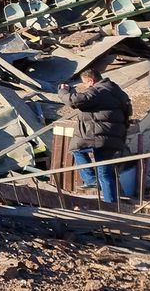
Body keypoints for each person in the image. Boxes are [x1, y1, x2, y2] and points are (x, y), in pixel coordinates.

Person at [58, 68, 133, 203]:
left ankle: (91, 180)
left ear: (91, 81)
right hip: (115, 136)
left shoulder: (98, 90)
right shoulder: (116, 91)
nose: (86, 86)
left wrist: (63, 91)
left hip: (100, 136)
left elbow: (74, 101)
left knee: (77, 149)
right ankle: (112, 204)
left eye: (85, 84)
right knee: (105, 173)